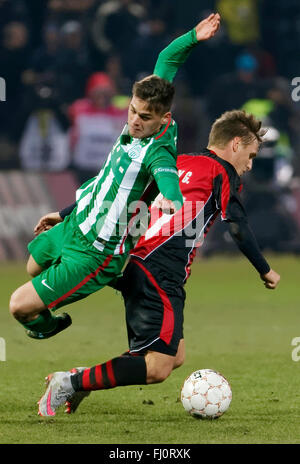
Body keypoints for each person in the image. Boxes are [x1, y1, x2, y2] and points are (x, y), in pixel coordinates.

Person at [36, 109, 280, 417]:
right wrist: (265, 270)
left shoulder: (174, 161)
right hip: (160, 269)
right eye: (251, 154)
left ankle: (83, 380)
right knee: (158, 366)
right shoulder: (223, 173)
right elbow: (238, 227)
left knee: (174, 354)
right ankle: (70, 381)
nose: (249, 164)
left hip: (134, 258)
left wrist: (64, 212)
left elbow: (112, 189)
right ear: (235, 144)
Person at [9, 14, 221, 340]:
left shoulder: (159, 152)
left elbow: (171, 189)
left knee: (19, 306)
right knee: (33, 266)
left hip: (95, 253)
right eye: (132, 110)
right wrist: (194, 34)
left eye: (144, 117)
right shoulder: (152, 100)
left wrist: (168, 199)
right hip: (75, 223)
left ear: (163, 117)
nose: (135, 121)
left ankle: (49, 326)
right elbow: (167, 59)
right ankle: (63, 290)